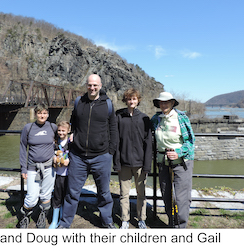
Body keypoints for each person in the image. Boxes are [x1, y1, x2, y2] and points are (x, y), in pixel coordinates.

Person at [58, 74, 117, 228]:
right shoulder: (79, 102)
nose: (92, 88)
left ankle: (107, 221)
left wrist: (110, 151)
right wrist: (72, 135)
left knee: (104, 193)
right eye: (90, 85)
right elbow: (73, 122)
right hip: (78, 156)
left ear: (100, 85)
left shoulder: (108, 104)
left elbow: (113, 129)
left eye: (95, 85)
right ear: (86, 85)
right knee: (72, 192)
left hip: (101, 156)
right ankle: (65, 223)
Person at [151, 92, 195, 228]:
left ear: (172, 103)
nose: (164, 104)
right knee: (167, 195)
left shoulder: (181, 118)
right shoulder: (156, 119)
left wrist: (179, 152)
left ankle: (180, 227)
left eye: (166, 102)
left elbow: (190, 141)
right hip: (163, 163)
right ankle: (172, 223)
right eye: (161, 102)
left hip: (182, 163)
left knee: (182, 198)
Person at [113, 88, 152, 229]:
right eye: (129, 99)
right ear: (126, 100)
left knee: (141, 194)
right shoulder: (118, 116)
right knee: (124, 194)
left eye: (134, 99)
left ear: (138, 100)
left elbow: (148, 143)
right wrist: (116, 162)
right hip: (123, 163)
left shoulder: (144, 118)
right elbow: (115, 141)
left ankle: (142, 219)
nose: (132, 101)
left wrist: (147, 165)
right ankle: (125, 220)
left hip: (140, 163)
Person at [19, 103, 57, 228]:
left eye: (45, 113)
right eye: (40, 113)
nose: (42, 115)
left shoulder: (52, 127)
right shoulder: (28, 128)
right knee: (31, 197)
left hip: (49, 167)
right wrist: (23, 168)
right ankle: (24, 217)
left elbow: (62, 139)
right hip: (32, 168)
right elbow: (23, 148)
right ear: (35, 114)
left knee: (46, 195)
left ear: (48, 114)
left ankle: (42, 217)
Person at [49, 121, 71, 229]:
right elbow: (52, 155)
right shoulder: (55, 143)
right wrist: (53, 160)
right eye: (59, 130)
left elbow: (76, 156)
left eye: (63, 130)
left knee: (66, 197)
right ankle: (54, 220)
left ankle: (63, 220)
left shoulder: (71, 142)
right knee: (57, 197)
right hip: (57, 174)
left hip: (68, 174)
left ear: (68, 131)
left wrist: (69, 161)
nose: (61, 132)